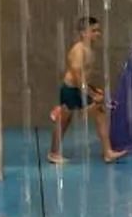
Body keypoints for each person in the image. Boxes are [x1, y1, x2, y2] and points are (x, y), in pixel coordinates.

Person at [49, 16, 124, 164]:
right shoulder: (79, 50)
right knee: (65, 122)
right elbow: (77, 77)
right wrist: (91, 94)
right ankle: (53, 153)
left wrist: (94, 90)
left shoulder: (88, 49)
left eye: (98, 30)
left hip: (77, 89)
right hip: (71, 90)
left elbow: (83, 77)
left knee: (98, 112)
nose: (98, 34)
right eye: (94, 31)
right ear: (84, 33)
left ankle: (108, 152)